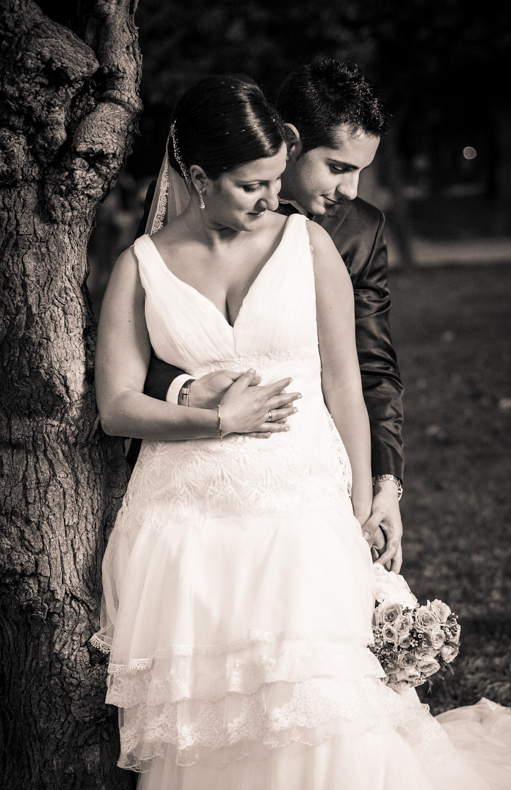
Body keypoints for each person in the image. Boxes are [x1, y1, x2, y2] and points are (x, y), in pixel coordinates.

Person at [92, 75, 511, 790]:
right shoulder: (141, 265)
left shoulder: (310, 244)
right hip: (185, 519)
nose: (268, 201)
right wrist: (208, 415)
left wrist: (363, 503)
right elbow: (117, 405)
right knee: (215, 719)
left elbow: (347, 385)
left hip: (298, 500)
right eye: (248, 185)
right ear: (191, 171)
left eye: (273, 180)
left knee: (317, 698)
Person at [135, 59, 404, 573]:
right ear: (292, 141)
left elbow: (371, 368)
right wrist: (186, 391)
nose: (351, 191)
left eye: (361, 172)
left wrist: (382, 487)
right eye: (340, 168)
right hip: (194, 467)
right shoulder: (196, 200)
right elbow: (152, 325)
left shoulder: (358, 230)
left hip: (307, 475)